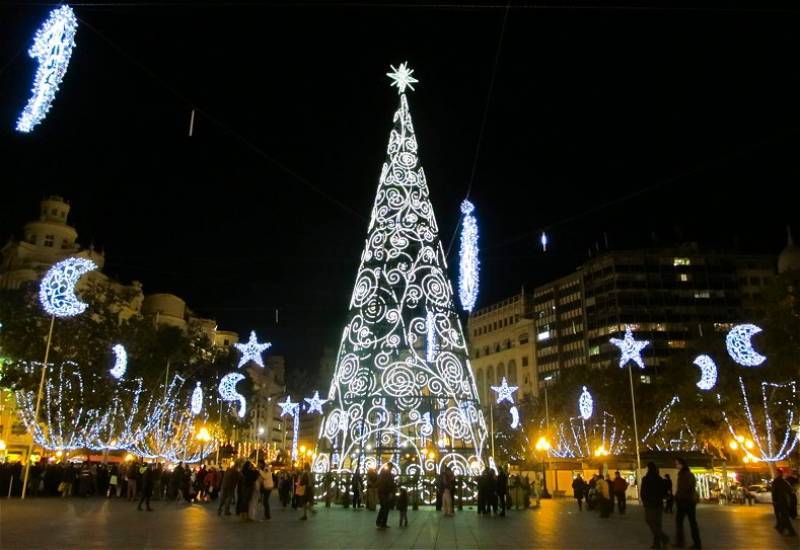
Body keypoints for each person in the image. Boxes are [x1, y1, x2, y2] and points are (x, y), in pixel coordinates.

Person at [674, 457, 702, 549]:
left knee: (682, 522)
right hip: (688, 501)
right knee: (691, 522)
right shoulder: (687, 474)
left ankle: (682, 542)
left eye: (677, 464)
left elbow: (684, 488)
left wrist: (677, 497)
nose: (676, 466)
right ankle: (695, 543)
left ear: (682, 465)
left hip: (685, 501)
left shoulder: (685, 475)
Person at [641, 462, 669, 549]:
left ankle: (664, 538)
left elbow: (643, 492)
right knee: (657, 523)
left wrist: (644, 501)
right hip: (658, 504)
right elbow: (664, 491)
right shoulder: (659, 479)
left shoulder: (646, 479)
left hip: (650, 504)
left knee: (649, 520)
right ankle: (657, 544)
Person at [771, 469, 798, 536]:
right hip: (784, 501)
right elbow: (789, 491)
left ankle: (791, 532)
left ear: (778, 474)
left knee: (784, 516)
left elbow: (774, 492)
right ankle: (781, 528)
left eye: (775, 473)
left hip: (781, 501)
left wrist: (775, 501)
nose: (774, 474)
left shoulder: (777, 481)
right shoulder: (784, 481)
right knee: (783, 516)